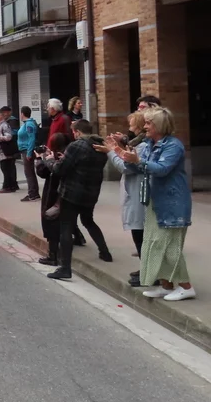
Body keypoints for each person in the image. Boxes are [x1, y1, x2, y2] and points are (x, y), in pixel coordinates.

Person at [108, 107, 194, 301]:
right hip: (155, 201)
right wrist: (121, 154)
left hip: (172, 203)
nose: (144, 126)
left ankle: (186, 287)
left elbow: (162, 169)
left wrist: (137, 160)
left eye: (148, 123)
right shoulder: (148, 144)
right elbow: (137, 168)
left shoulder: (173, 146)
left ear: (159, 125)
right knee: (153, 245)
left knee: (169, 247)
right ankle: (166, 285)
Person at [45, 119, 112, 280]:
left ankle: (65, 268)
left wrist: (49, 160)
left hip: (72, 192)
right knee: (88, 221)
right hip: (91, 192)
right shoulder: (100, 146)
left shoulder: (76, 146)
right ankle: (105, 252)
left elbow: (59, 169)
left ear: (78, 132)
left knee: (66, 227)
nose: (73, 134)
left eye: (74, 132)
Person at [97, 111, 147, 286]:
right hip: (136, 192)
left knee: (140, 234)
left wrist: (111, 151)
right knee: (138, 233)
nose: (129, 128)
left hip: (139, 193)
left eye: (132, 124)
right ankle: (146, 269)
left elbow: (127, 166)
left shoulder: (143, 146)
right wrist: (121, 145)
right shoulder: (138, 144)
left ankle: (149, 272)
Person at [34, 133, 70, 267]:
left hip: (53, 192)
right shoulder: (69, 155)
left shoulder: (56, 158)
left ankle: (53, 255)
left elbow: (43, 172)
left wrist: (40, 159)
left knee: (51, 220)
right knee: (66, 222)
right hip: (68, 193)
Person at [0, 106, 19, 194]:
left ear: (2, 117)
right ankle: (11, 185)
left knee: (6, 169)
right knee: (6, 168)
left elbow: (9, 137)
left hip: (5, 151)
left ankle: (7, 186)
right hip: (2, 152)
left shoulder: (4, 125)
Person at [18, 106, 40, 202]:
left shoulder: (29, 124)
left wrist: (29, 152)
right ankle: (34, 193)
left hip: (27, 150)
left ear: (22, 114)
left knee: (29, 173)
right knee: (30, 172)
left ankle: (33, 194)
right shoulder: (27, 123)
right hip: (26, 150)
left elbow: (32, 138)